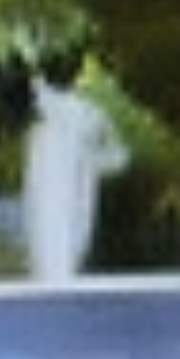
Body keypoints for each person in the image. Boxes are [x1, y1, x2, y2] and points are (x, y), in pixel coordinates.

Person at [23, 48, 130, 284]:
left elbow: (120, 157)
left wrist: (91, 163)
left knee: (52, 251)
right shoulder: (89, 115)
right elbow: (121, 157)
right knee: (59, 250)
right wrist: (93, 163)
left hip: (62, 200)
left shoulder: (56, 114)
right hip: (64, 201)